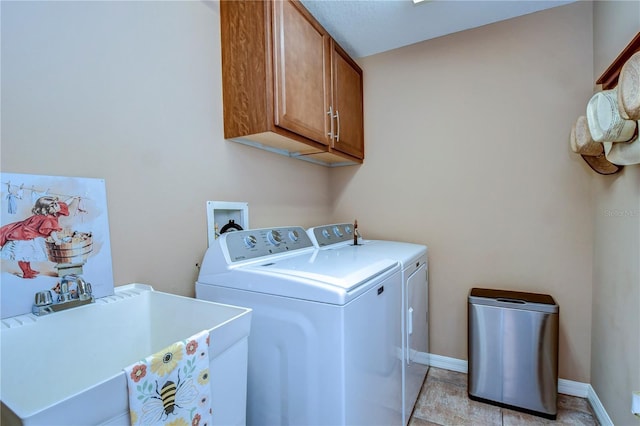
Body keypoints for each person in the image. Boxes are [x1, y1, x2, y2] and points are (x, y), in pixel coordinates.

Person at [0, 195, 76, 278]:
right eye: (54, 205)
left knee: (27, 255)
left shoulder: (52, 212)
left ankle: (29, 270)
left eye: (56, 203)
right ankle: (26, 272)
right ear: (47, 209)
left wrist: (72, 198)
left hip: (28, 233)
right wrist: (56, 240)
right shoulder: (48, 218)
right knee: (23, 255)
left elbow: (64, 204)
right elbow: (52, 231)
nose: (58, 205)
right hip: (24, 236)